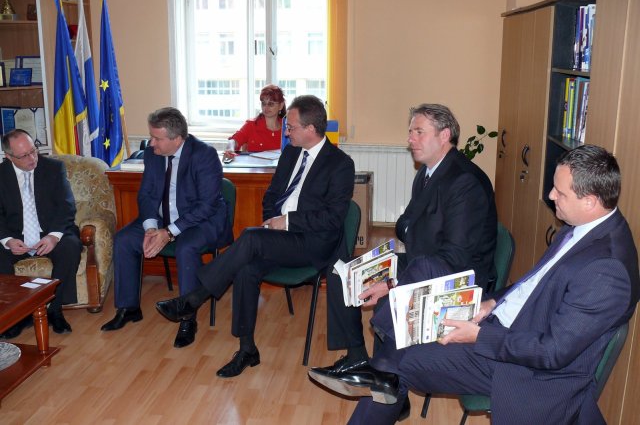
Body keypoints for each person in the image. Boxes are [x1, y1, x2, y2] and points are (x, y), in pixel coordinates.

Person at [310, 145, 640, 425]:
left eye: (560, 192)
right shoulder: (583, 227)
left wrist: (479, 335)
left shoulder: (606, 270)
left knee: (396, 365)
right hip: (502, 325)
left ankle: (374, 372)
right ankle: (377, 370)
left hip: (523, 368)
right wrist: (492, 304)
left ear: (590, 200)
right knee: (405, 333)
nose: (551, 196)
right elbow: (533, 286)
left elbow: (551, 352)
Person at [155, 95, 355, 377]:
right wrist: (271, 220)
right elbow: (272, 195)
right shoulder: (291, 153)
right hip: (280, 237)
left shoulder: (340, 164)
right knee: (246, 266)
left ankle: (194, 298)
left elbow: (333, 218)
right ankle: (247, 348)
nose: (287, 132)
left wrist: (287, 221)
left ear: (311, 129)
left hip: (314, 243)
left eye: (291, 127)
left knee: (250, 238)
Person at [315, 104, 497, 380]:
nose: (411, 139)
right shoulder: (427, 173)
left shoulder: (465, 182)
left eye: (419, 132)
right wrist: (400, 252)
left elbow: (455, 259)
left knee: (387, 297)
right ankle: (356, 357)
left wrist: (392, 283)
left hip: (455, 277)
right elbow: (404, 225)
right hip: (422, 260)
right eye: (411, 132)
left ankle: (388, 377)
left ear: (444, 135)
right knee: (341, 272)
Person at [101, 107, 231, 349]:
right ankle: (128, 308)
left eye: (157, 138)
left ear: (177, 138)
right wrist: (151, 228)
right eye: (151, 137)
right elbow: (146, 195)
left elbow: (207, 205)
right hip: (161, 220)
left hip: (201, 221)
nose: (151, 143)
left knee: (186, 248)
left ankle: (187, 317)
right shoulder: (153, 154)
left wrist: (170, 232)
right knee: (124, 240)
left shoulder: (204, 155)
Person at [0, 129, 81, 336]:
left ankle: (55, 310)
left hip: (50, 231)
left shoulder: (53, 168)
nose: (32, 158)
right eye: (24, 155)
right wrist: (8, 240)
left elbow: (66, 207)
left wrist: (53, 236)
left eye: (33, 151)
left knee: (70, 246)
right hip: (16, 236)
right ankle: (15, 314)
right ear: (8, 156)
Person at [223, 84, 286, 160]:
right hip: (255, 167)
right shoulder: (251, 125)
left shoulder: (287, 127)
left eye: (271, 104)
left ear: (281, 105)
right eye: (263, 103)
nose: (266, 107)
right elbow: (234, 140)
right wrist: (229, 149)